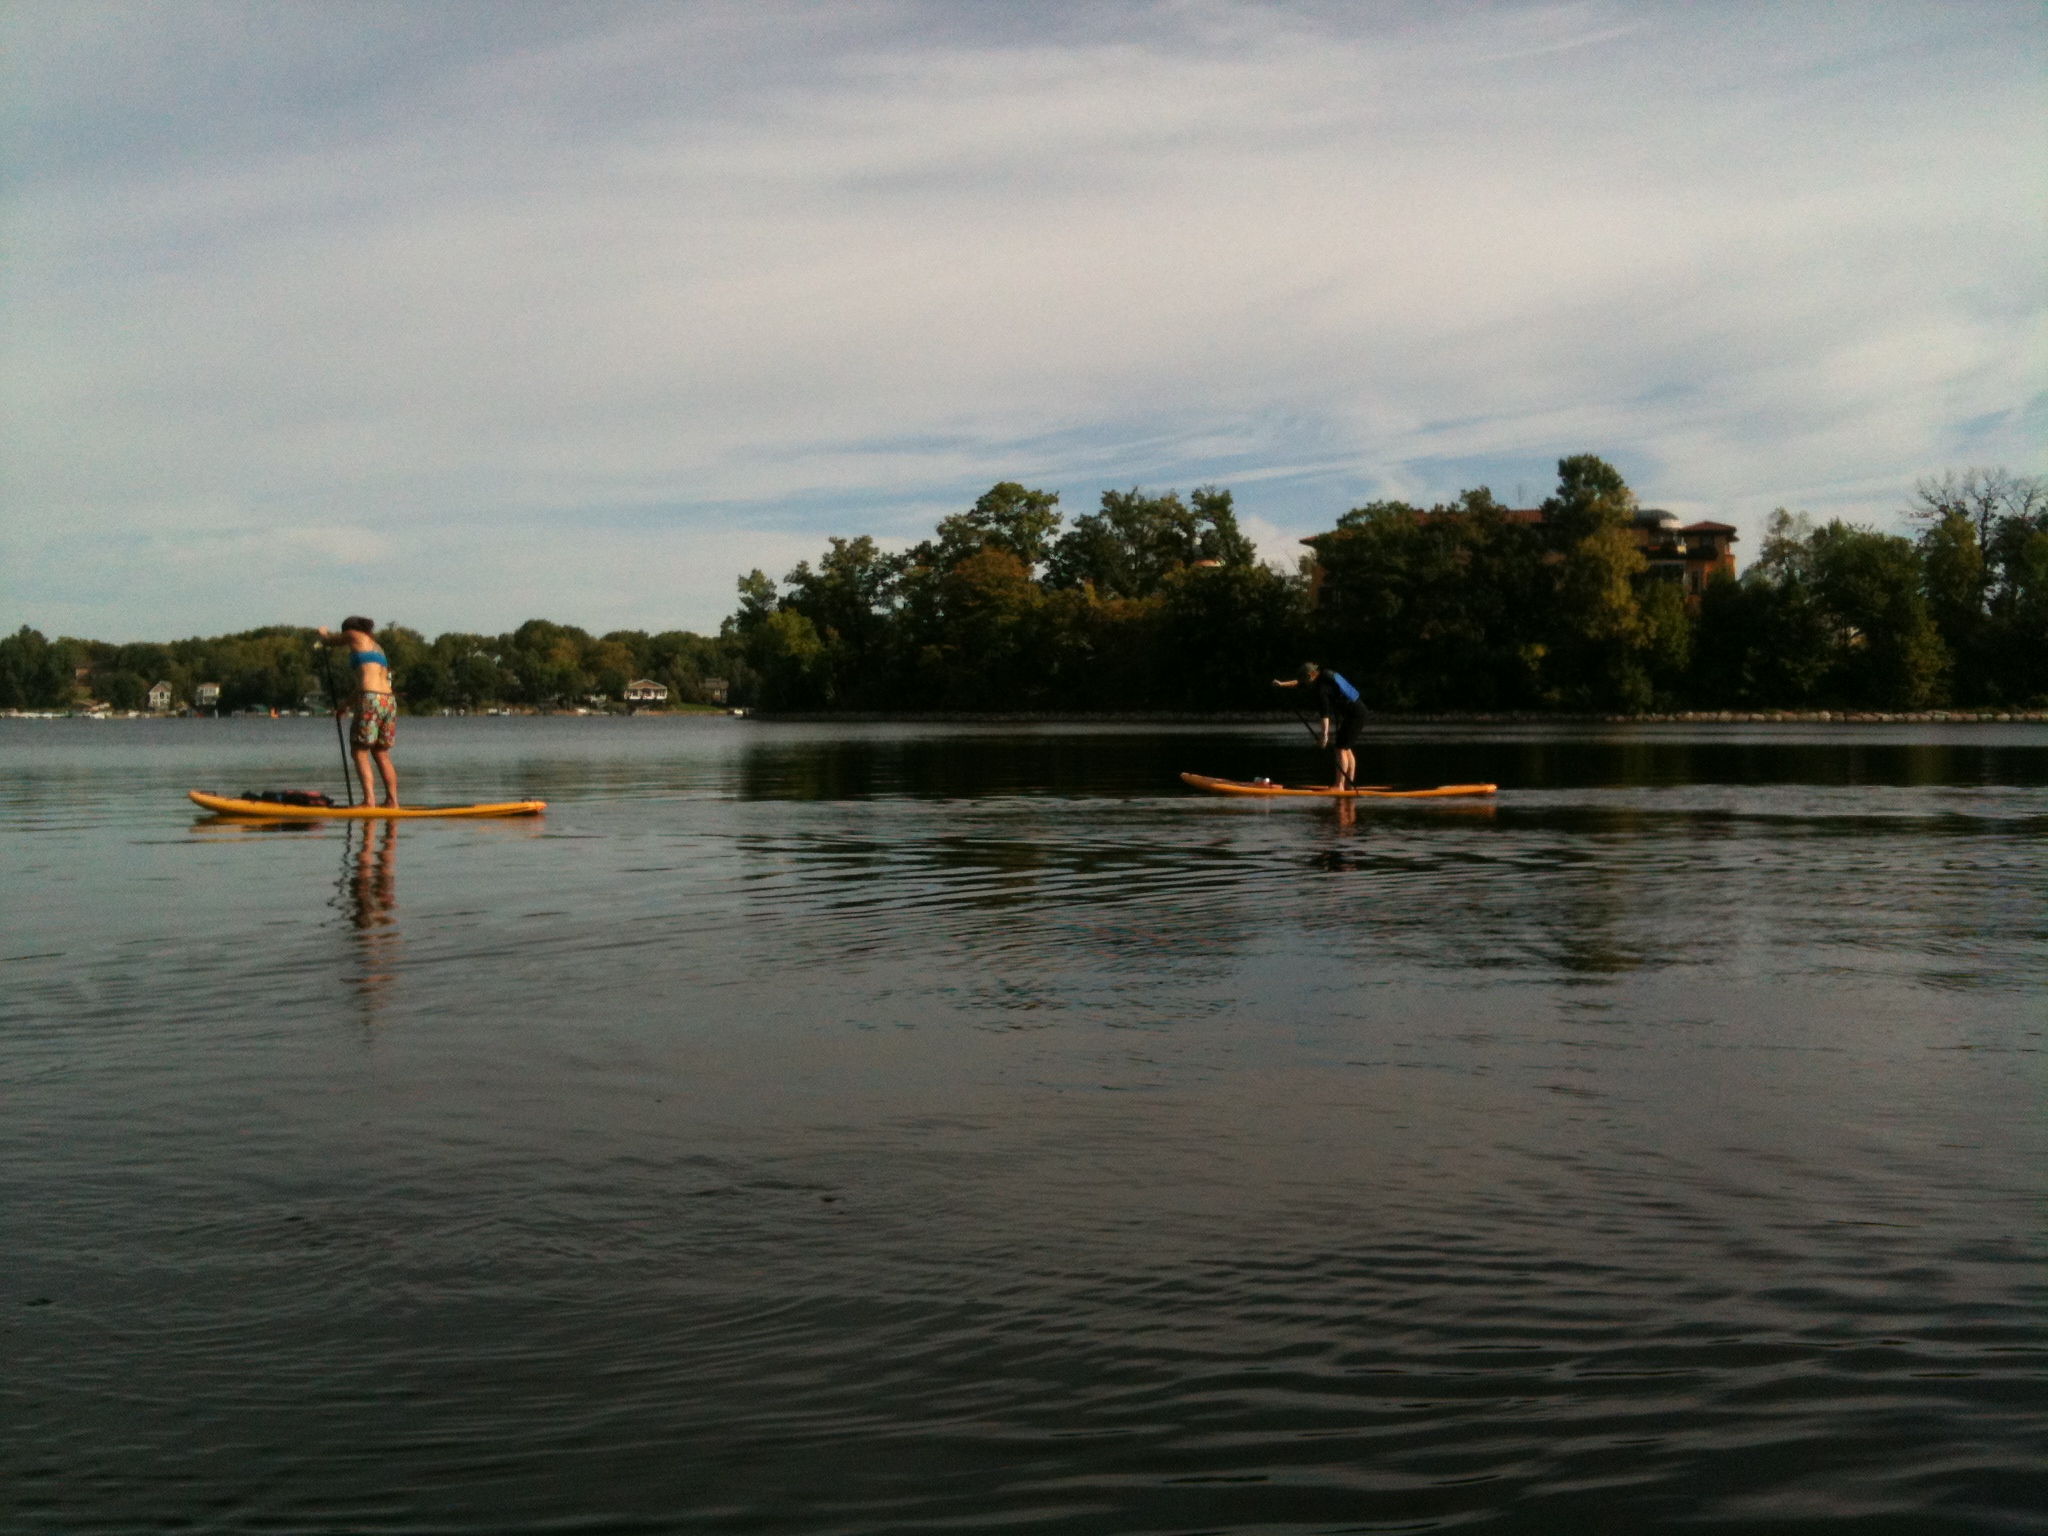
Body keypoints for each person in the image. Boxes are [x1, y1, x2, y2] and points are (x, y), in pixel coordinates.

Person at [317, 616, 400, 807]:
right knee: (381, 752)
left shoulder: (354, 634)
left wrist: (322, 634)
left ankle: (369, 801)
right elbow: (366, 685)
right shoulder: (378, 648)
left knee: (359, 751)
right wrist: (345, 705)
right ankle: (392, 800)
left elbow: (329, 641)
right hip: (388, 700)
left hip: (371, 699)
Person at [1273, 662, 1366, 790]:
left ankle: (1339, 785)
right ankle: (1348, 785)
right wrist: (1282, 684)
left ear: (1310, 676)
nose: (1306, 684)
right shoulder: (1323, 675)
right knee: (1345, 748)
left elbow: (1325, 714)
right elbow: (1299, 682)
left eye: (1306, 680)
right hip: (1357, 713)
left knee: (1340, 749)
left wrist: (1324, 736)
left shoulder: (1322, 689)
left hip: (1355, 716)